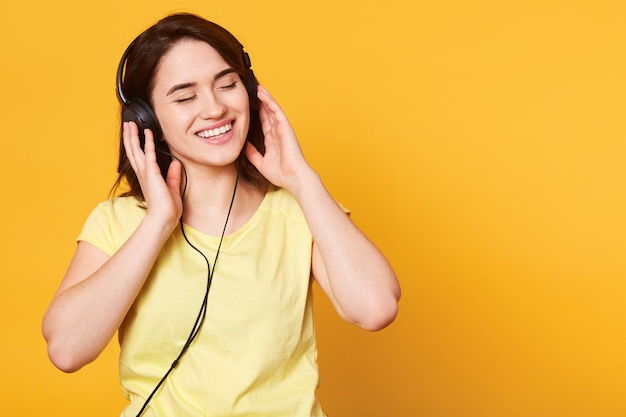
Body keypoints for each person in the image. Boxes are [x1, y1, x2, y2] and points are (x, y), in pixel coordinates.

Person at [42, 12, 400, 417]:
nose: (214, 109)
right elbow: (67, 350)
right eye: (184, 96)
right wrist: (158, 222)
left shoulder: (302, 210)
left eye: (228, 85)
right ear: (146, 119)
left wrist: (301, 178)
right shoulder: (118, 221)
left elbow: (376, 308)